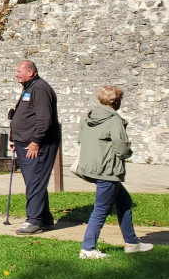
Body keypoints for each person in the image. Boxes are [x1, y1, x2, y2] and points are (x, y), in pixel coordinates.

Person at [76, 85, 153, 258]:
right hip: (107, 170)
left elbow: (81, 139)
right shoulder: (114, 120)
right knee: (101, 209)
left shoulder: (88, 117)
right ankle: (88, 249)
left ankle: (132, 243)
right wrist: (127, 154)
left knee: (124, 201)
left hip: (90, 167)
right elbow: (121, 147)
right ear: (116, 101)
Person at [10, 59, 62, 235]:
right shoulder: (29, 87)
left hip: (38, 145)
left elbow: (44, 119)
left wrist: (36, 142)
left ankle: (34, 220)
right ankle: (45, 218)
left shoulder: (39, 88)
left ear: (31, 72)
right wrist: (14, 138)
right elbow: (23, 116)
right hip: (24, 142)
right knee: (34, 180)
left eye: (19, 71)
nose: (16, 74)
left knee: (35, 180)